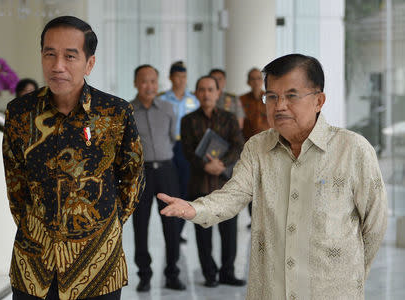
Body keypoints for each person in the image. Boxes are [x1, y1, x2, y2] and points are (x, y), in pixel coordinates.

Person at [159, 54, 388, 299]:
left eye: (291, 96)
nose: (279, 106)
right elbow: (233, 194)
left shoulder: (352, 150)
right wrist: (194, 209)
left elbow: (374, 225)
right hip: (270, 290)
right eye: (272, 97)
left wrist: (349, 276)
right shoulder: (257, 148)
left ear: (319, 101)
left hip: (330, 291)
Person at [2, 16, 144, 300]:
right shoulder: (20, 113)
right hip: (34, 265)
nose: (57, 66)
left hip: (97, 267)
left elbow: (133, 178)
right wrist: (40, 228)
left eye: (70, 56)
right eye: (49, 54)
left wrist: (103, 226)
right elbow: (15, 182)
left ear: (90, 63)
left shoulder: (115, 113)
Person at [180, 75, 245, 288]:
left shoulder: (229, 118)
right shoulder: (188, 120)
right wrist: (205, 165)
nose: (206, 94)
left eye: (210, 90)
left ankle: (228, 272)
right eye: (202, 89)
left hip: (226, 185)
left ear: (218, 93)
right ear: (196, 93)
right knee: (203, 233)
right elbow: (187, 151)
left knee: (229, 233)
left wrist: (221, 164)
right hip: (200, 184)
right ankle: (210, 274)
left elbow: (238, 146)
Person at [130, 64, 185, 292]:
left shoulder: (168, 109)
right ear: (136, 83)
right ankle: (144, 274)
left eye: (153, 81)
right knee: (140, 225)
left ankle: (172, 272)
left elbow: (172, 139)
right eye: (144, 81)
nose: (149, 86)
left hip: (165, 170)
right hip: (140, 173)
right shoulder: (127, 110)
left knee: (172, 224)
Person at [158, 61, 200, 242]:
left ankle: (178, 230)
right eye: (178, 76)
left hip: (186, 148)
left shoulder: (193, 100)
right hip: (167, 146)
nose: (181, 80)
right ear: (170, 77)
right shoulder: (162, 100)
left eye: (184, 77)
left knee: (185, 187)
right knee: (169, 187)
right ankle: (171, 229)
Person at [238, 67, 270, 227]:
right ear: (248, 82)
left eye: (259, 78)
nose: (256, 82)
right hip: (248, 148)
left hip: (268, 147)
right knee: (251, 184)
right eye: (253, 79)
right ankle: (254, 218)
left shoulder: (270, 98)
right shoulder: (241, 100)